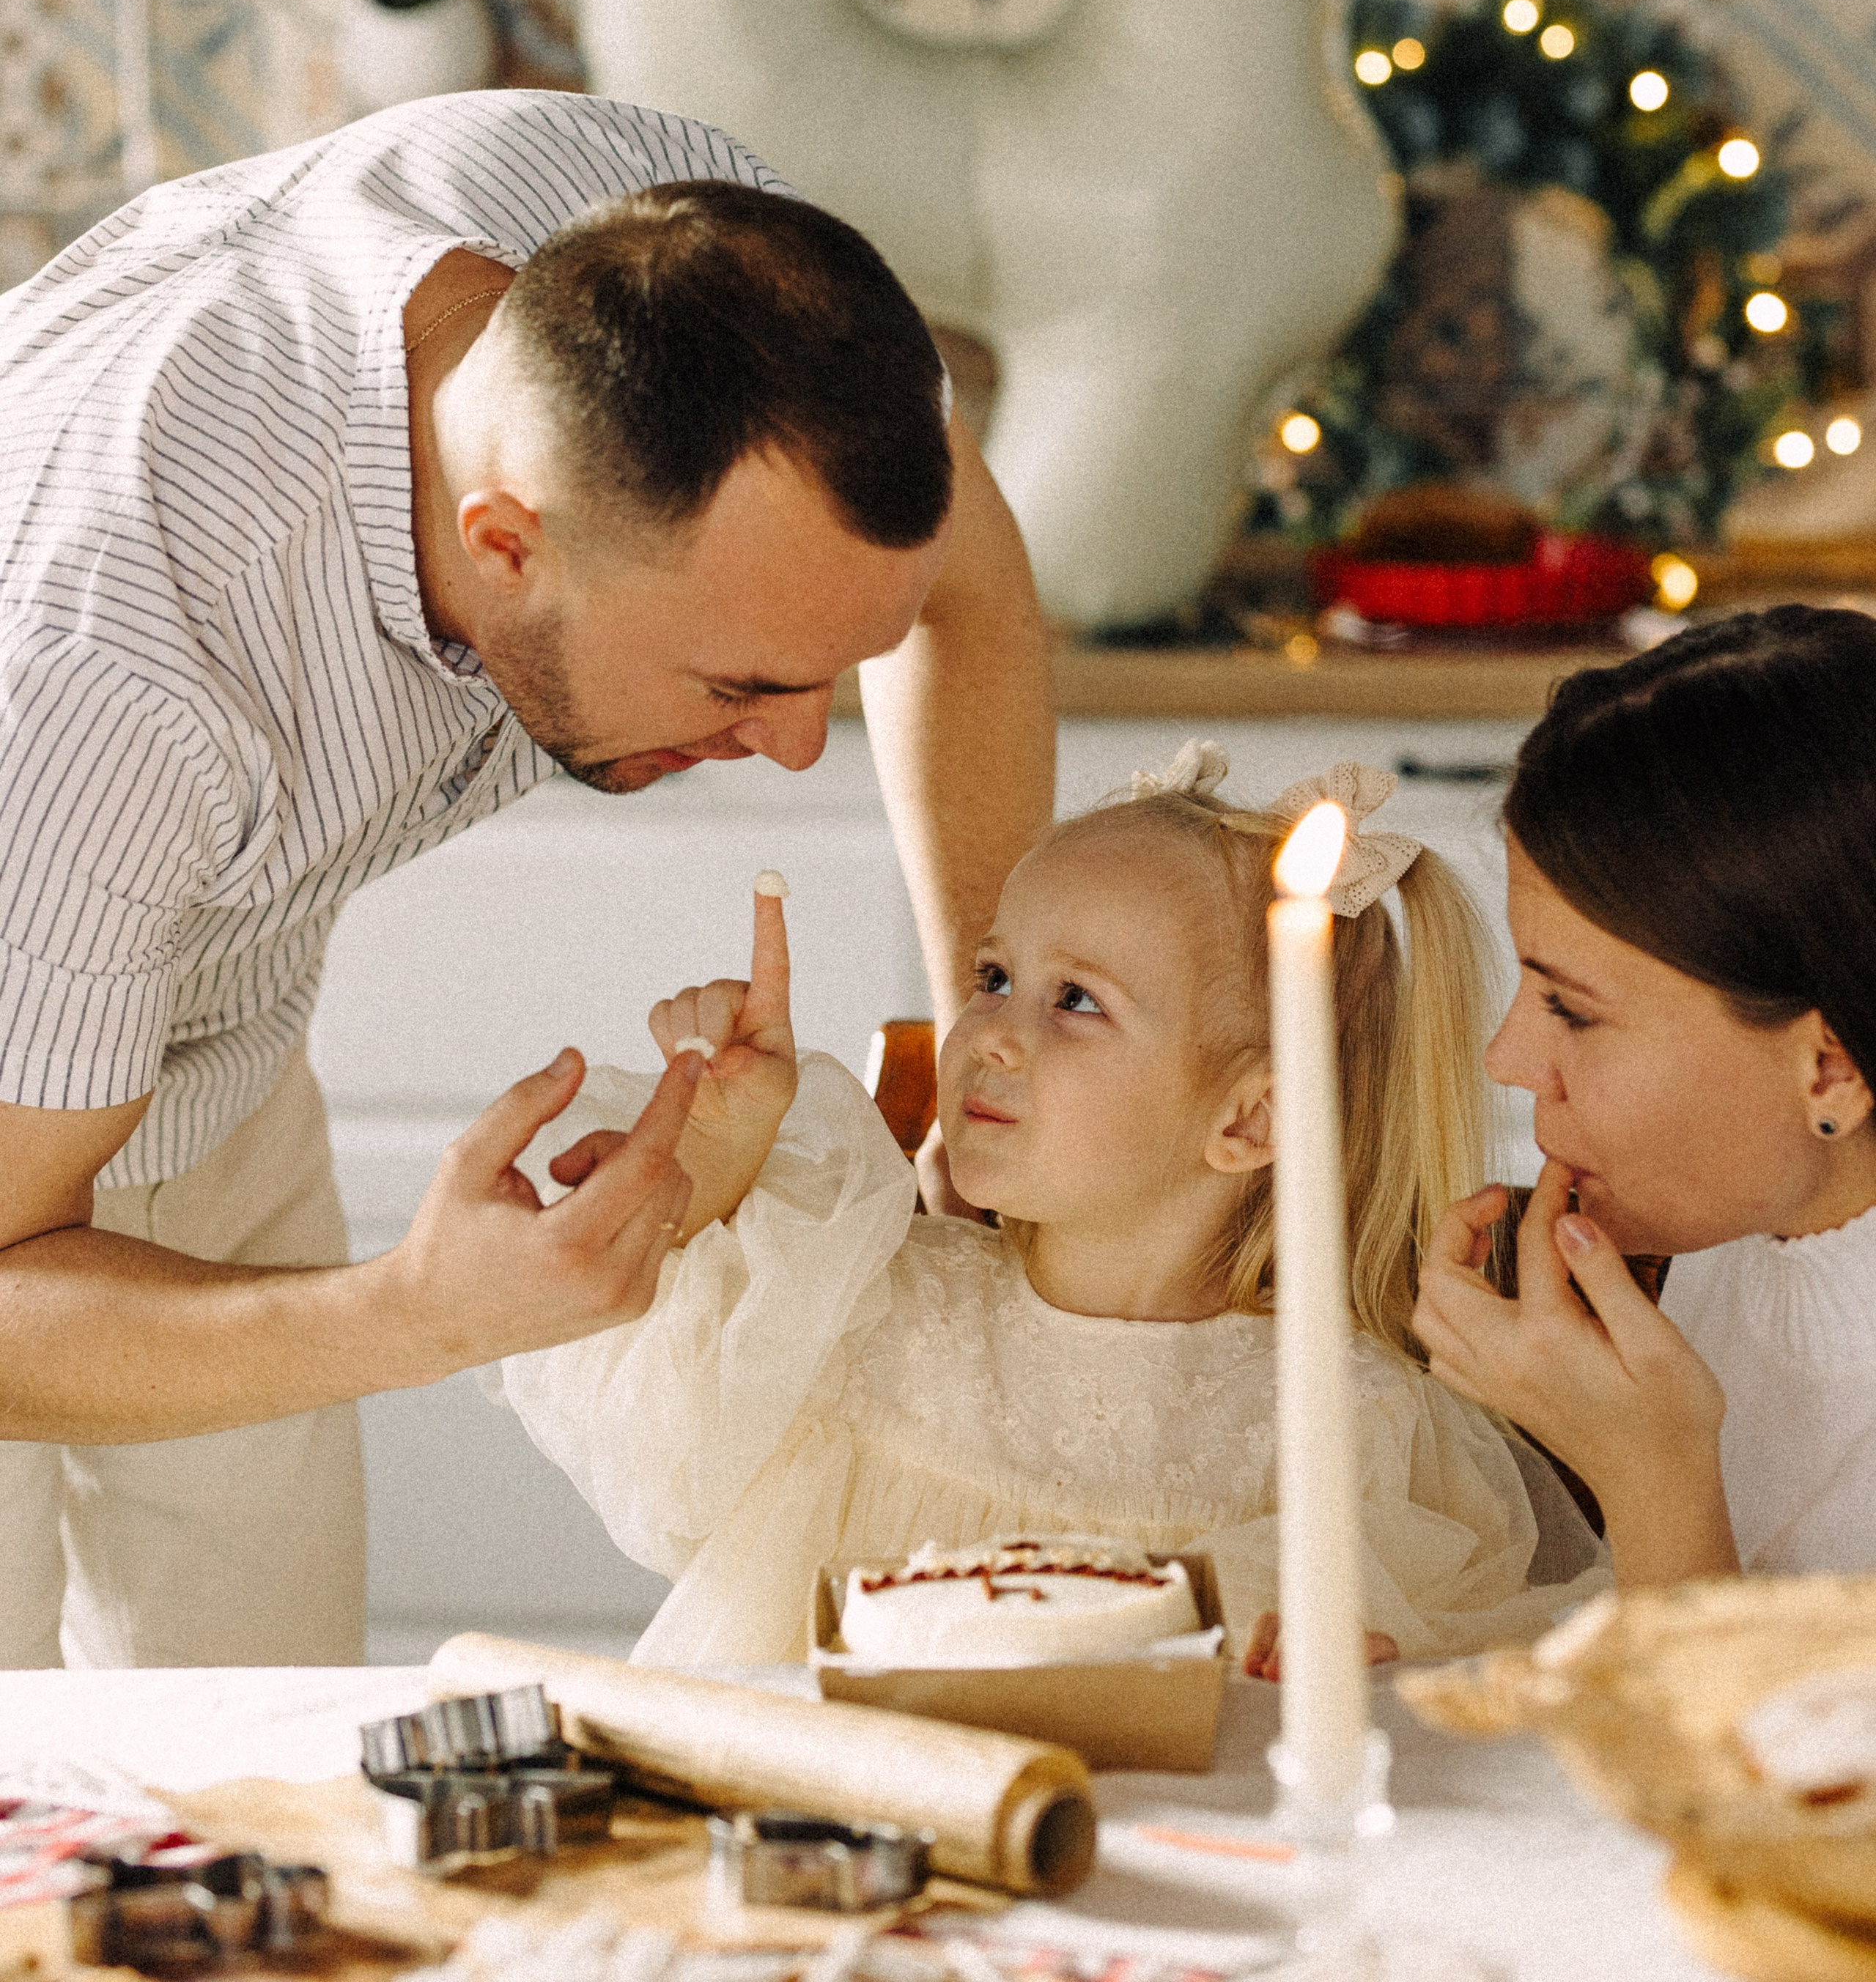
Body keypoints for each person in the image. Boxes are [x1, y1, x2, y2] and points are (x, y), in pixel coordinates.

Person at [0, 87, 1052, 1671]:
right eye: (738, 684)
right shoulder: (119, 680)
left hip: (206, 1037)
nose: (793, 749)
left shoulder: (690, 284)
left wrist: (988, 1016)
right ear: (505, 544)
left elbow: (959, 575)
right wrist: (419, 1311)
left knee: (267, 1724)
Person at [501, 746, 1606, 1668]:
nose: (990, 1035)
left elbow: (1466, 1682)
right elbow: (662, 1463)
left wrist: (1363, 1662)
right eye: (993, 977)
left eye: (1076, 1000)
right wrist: (716, 1166)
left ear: (1251, 1119)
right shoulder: (862, 1299)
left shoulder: (1348, 1425)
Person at [1414, 604, 1876, 1591]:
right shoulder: (1733, 1232)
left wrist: (1650, 1478)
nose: (1505, 1058)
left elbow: (1728, 1699)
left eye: (1570, 1010)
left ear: (1830, 1070)